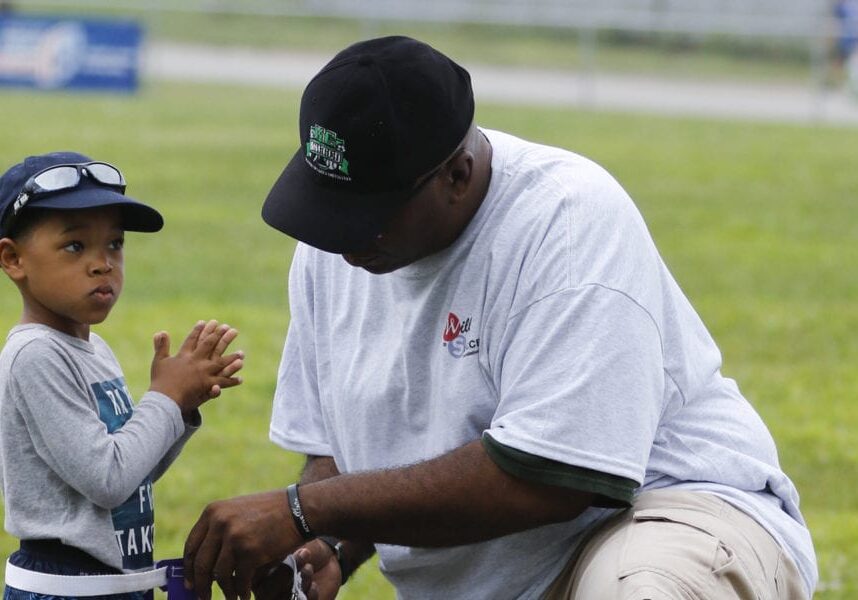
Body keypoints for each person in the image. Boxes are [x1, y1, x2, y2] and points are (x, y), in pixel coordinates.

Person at [183, 36, 818, 600]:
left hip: (667, 512)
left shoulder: (564, 222)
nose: (342, 242)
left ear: (457, 174)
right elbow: (347, 453)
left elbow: (552, 478)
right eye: (329, 208)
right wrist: (330, 545)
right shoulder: (337, 252)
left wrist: (302, 509)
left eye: (367, 213)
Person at [0, 151, 244, 599]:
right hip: (64, 589)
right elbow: (107, 479)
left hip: (113, 585)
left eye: (114, 244)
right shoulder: (35, 355)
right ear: (14, 259)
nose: (103, 263)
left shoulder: (94, 349)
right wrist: (164, 399)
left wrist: (182, 406)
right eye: (75, 246)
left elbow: (133, 474)